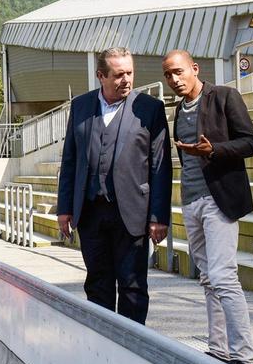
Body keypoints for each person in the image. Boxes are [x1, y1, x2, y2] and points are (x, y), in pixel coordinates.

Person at [162, 49, 253, 364]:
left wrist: (214, 150)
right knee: (207, 278)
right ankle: (218, 350)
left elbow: (251, 143)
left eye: (179, 72)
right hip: (191, 200)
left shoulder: (224, 97)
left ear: (194, 68)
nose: (174, 79)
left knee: (222, 275)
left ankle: (244, 358)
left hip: (219, 199)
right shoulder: (179, 109)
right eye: (168, 75)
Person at [57, 47, 171, 324]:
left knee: (132, 286)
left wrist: (158, 217)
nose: (126, 80)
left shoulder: (150, 109)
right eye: (119, 75)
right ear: (101, 76)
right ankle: (102, 344)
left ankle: (134, 347)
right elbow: (70, 159)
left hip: (132, 212)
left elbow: (160, 166)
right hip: (90, 212)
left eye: (129, 73)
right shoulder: (81, 106)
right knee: (97, 283)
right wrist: (64, 208)